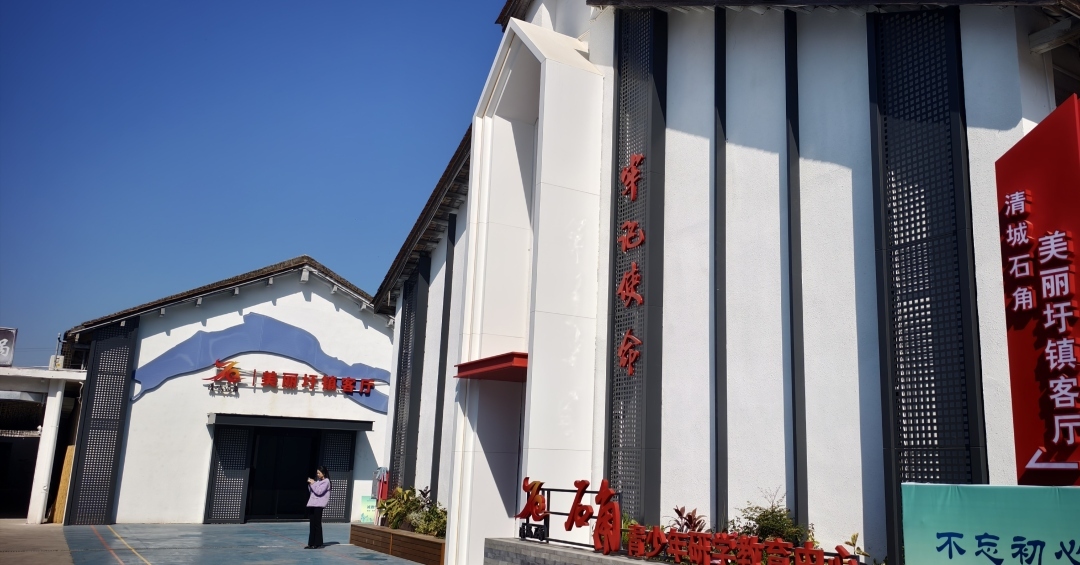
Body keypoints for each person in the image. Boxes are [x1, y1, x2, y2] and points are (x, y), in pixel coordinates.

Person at [305, 466, 331, 549]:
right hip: (313, 504)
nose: (318, 474)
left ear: (323, 473)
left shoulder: (326, 481)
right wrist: (311, 484)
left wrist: (313, 483)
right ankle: (311, 543)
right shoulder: (318, 481)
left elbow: (319, 492)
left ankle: (318, 543)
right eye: (317, 473)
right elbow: (312, 491)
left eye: (319, 473)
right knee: (312, 524)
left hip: (319, 505)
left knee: (317, 524)